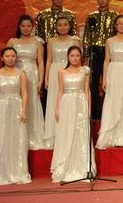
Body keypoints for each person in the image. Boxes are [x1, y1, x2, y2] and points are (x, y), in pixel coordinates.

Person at [0, 47, 30, 186]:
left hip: (16, 106)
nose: (10, 58)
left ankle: (15, 170)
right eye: (7, 56)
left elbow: (24, 93)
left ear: (16, 58)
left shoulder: (21, 74)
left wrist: (23, 111)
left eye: (13, 56)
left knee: (14, 137)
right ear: (2, 58)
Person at [51, 46, 96, 183]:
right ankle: (65, 166)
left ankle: (83, 168)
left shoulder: (85, 71)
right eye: (72, 55)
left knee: (80, 133)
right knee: (66, 132)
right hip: (66, 103)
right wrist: (57, 109)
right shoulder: (62, 71)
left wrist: (89, 108)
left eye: (77, 55)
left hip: (81, 102)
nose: (75, 58)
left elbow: (87, 91)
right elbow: (60, 91)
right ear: (67, 57)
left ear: (80, 57)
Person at [97, 14, 123, 149]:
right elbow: (106, 60)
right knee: (113, 100)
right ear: (115, 25)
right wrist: (104, 78)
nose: (122, 26)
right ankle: (111, 135)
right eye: (119, 23)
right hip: (113, 72)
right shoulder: (109, 41)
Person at [8, 15, 45, 149]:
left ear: (32, 27)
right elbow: (6, 59)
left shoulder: (37, 42)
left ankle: (32, 136)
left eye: (29, 26)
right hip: (15, 74)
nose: (26, 28)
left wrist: (41, 80)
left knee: (31, 102)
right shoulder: (12, 42)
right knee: (17, 102)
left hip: (32, 75)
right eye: (23, 26)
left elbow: (40, 62)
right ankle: (16, 136)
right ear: (19, 27)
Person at [44, 16, 81, 148]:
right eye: (59, 25)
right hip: (55, 71)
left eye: (65, 24)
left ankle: (69, 134)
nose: (62, 27)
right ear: (56, 27)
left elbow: (79, 59)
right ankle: (54, 135)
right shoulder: (51, 41)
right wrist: (46, 77)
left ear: (69, 26)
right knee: (55, 100)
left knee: (69, 101)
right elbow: (49, 59)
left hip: (70, 72)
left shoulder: (75, 40)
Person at [82, 0, 118, 120]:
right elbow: (86, 37)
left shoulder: (115, 16)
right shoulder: (92, 16)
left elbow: (118, 35)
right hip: (95, 52)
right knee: (93, 81)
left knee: (110, 81)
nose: (102, 0)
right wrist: (86, 56)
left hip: (109, 53)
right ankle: (95, 112)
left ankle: (110, 111)